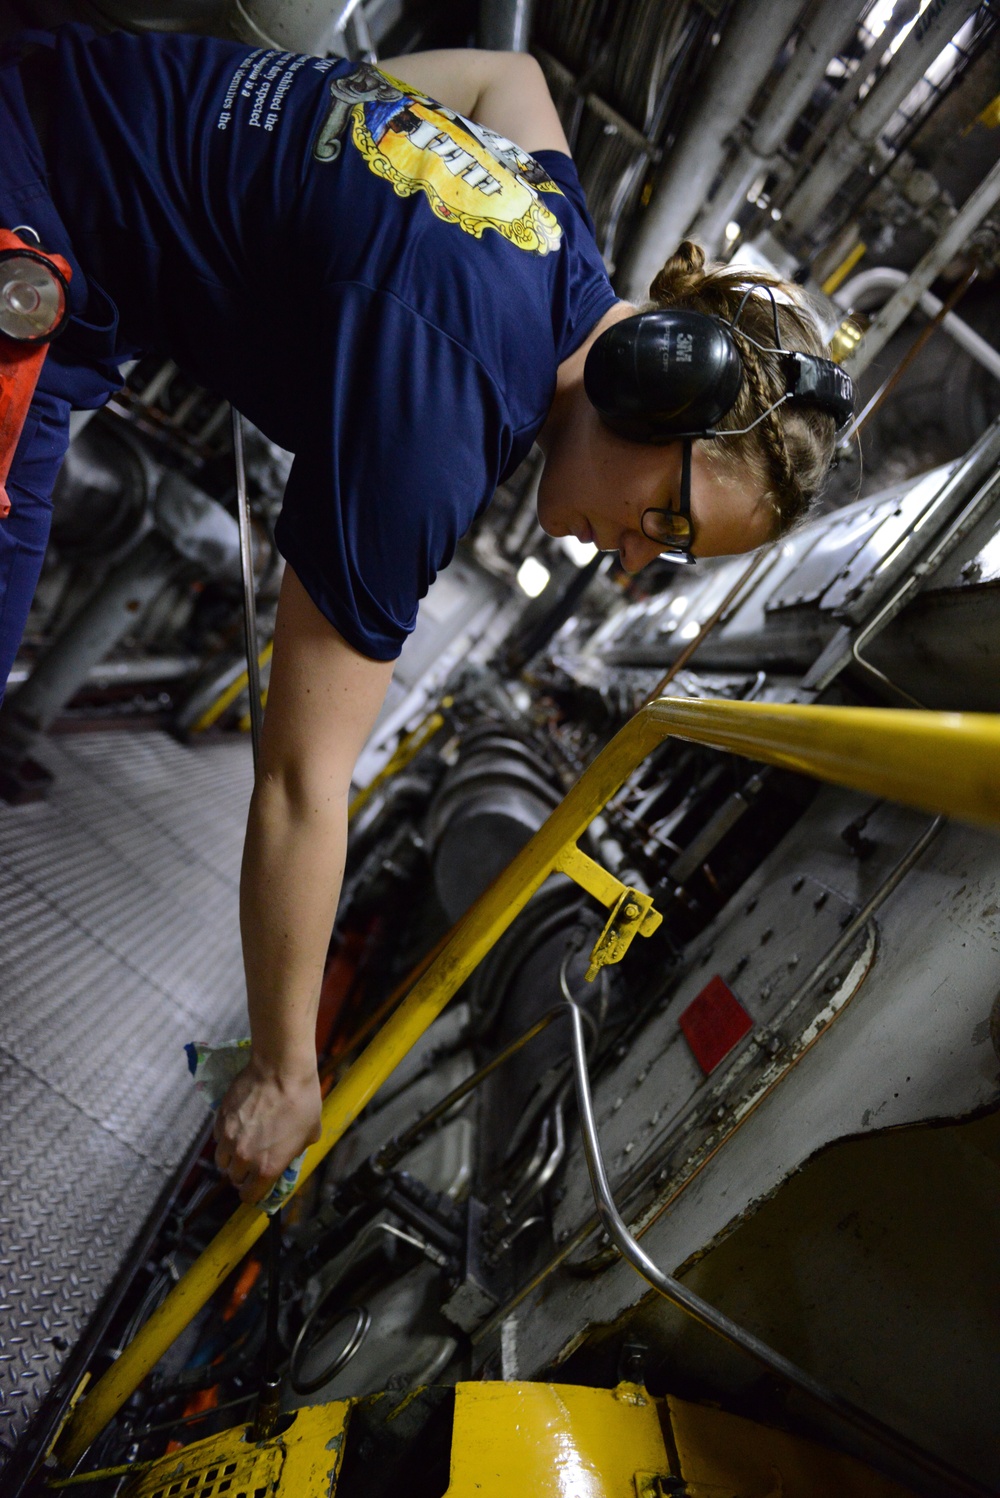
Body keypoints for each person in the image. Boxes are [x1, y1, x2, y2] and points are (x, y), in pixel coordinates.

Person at [0, 28, 837, 1203]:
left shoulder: (549, 238)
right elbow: (300, 786)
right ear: (650, 381)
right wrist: (288, 1072)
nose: (641, 562)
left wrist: (316, 163)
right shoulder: (450, 405)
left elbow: (512, 80)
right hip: (41, 215)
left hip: (74, 166)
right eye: (671, 522)